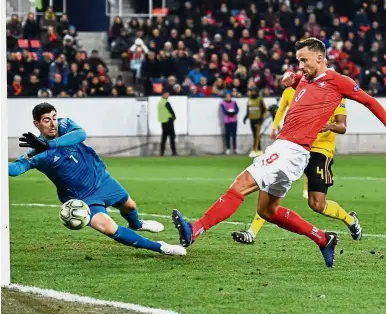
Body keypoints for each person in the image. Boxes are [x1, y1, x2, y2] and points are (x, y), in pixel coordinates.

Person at [171, 38, 386, 268]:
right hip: (289, 150)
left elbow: (370, 101)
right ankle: (323, 239)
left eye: (304, 60)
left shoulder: (338, 82)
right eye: (298, 61)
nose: (300, 65)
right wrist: (291, 78)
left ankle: (195, 230)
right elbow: (298, 81)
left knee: (240, 184)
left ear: (320, 58)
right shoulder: (304, 79)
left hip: (291, 149)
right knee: (267, 210)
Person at [9, 103, 186, 256]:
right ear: (36, 124)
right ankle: (162, 247)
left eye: (54, 117)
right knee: (109, 228)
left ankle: (137, 224)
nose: (53, 123)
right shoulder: (37, 155)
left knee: (130, 206)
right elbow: (16, 169)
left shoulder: (65, 125)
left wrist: (50, 144)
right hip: (82, 199)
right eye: (47, 120)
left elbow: (81, 134)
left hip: (101, 180)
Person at [232, 94, 363, 244]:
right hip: (296, 148)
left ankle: (350, 219)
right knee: (270, 187)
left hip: (320, 152)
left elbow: (342, 126)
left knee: (317, 204)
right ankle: (252, 233)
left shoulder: (335, 96)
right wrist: (278, 128)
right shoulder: (299, 91)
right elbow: (284, 112)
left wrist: (327, 126)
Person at [243, 87, 267, 158]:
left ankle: (255, 150)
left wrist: (261, 119)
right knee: (255, 135)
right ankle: (259, 150)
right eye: (251, 91)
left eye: (254, 91)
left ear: (256, 92)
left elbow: (265, 110)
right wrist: (245, 117)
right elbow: (248, 110)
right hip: (251, 120)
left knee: (256, 135)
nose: (252, 93)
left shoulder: (260, 99)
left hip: (258, 120)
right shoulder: (249, 100)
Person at [158, 89, 177, 156]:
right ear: (163, 94)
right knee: (172, 137)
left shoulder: (160, 102)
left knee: (164, 137)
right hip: (168, 120)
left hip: (163, 121)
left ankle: (162, 152)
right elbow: (171, 111)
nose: (168, 95)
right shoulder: (166, 103)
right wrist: (174, 117)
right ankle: (174, 152)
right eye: (166, 94)